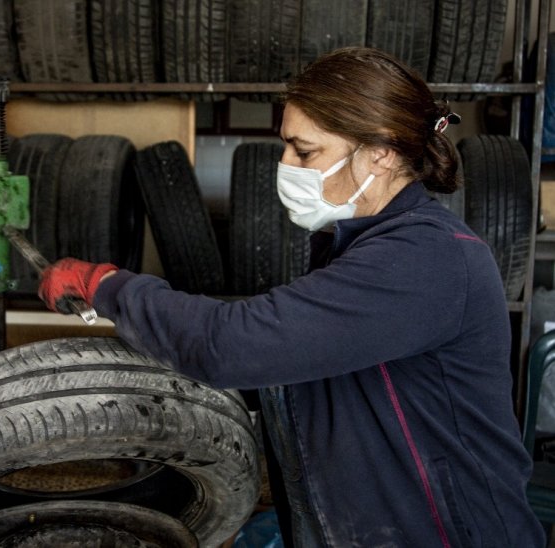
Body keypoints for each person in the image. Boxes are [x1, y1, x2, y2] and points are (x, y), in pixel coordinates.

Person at [38, 47, 544, 547]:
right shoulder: (354, 244)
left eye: (305, 152)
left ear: (382, 151)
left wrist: (108, 286)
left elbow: (234, 346)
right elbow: (299, 365)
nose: (285, 164)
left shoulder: (426, 257)